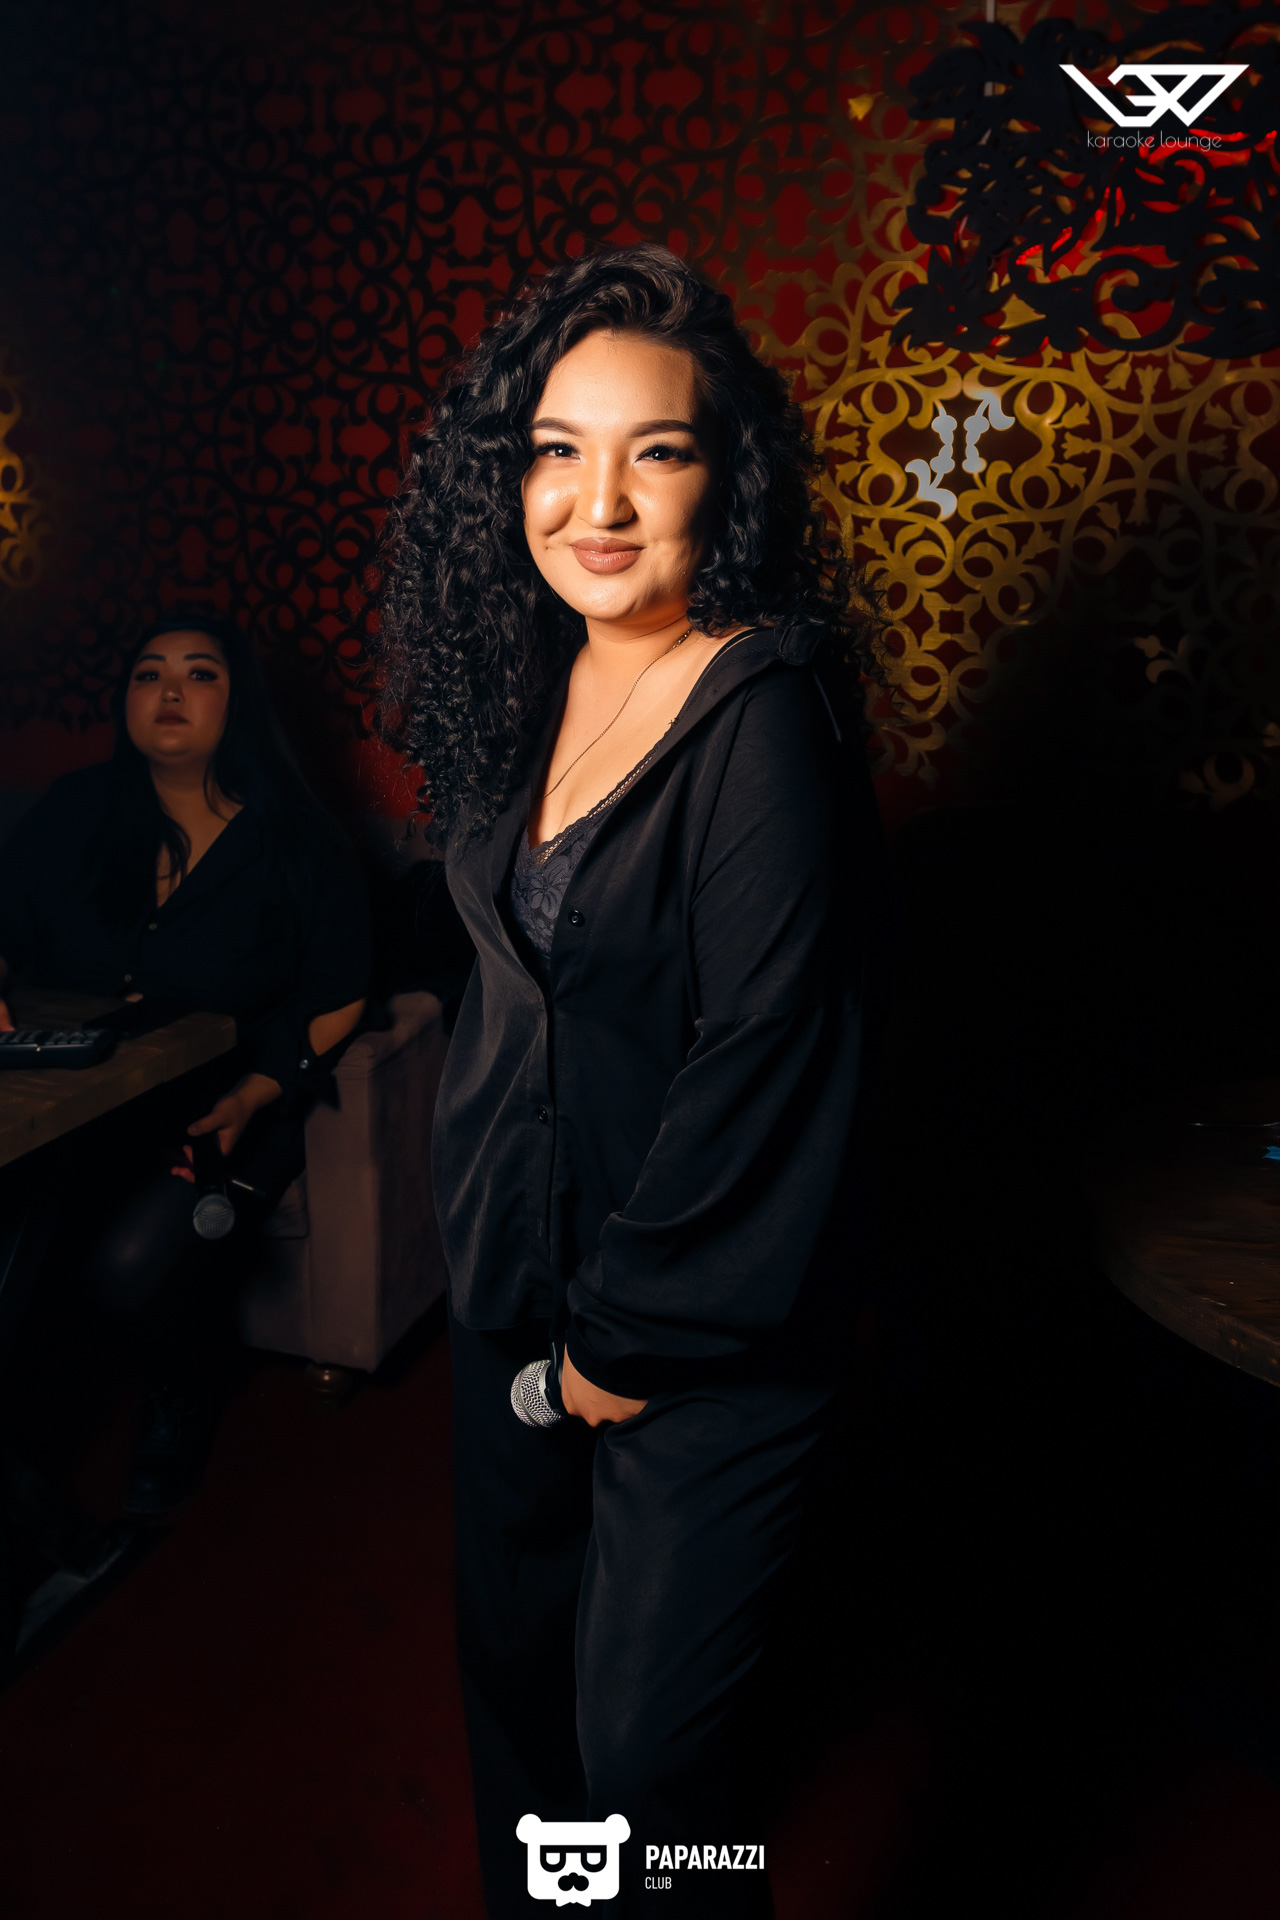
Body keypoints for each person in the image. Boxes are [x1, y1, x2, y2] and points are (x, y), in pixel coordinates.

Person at [378, 243, 890, 1918]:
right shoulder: (521, 675)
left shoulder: (766, 710)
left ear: (722, 478)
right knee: (520, 1687)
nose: (596, 502)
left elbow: (772, 1057)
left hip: (701, 1320)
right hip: (513, 1284)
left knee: (652, 1759)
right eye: (556, 449)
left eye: (654, 451)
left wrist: (628, 1336)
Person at [0, 615, 369, 1516]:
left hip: (226, 1100)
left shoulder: (297, 839)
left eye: (199, 674)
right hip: (80, 1095)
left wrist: (257, 1090)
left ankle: (178, 1394)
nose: (169, 691)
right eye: (148, 673)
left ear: (237, 701)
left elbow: (340, 994)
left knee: (127, 1267)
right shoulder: (75, 810)